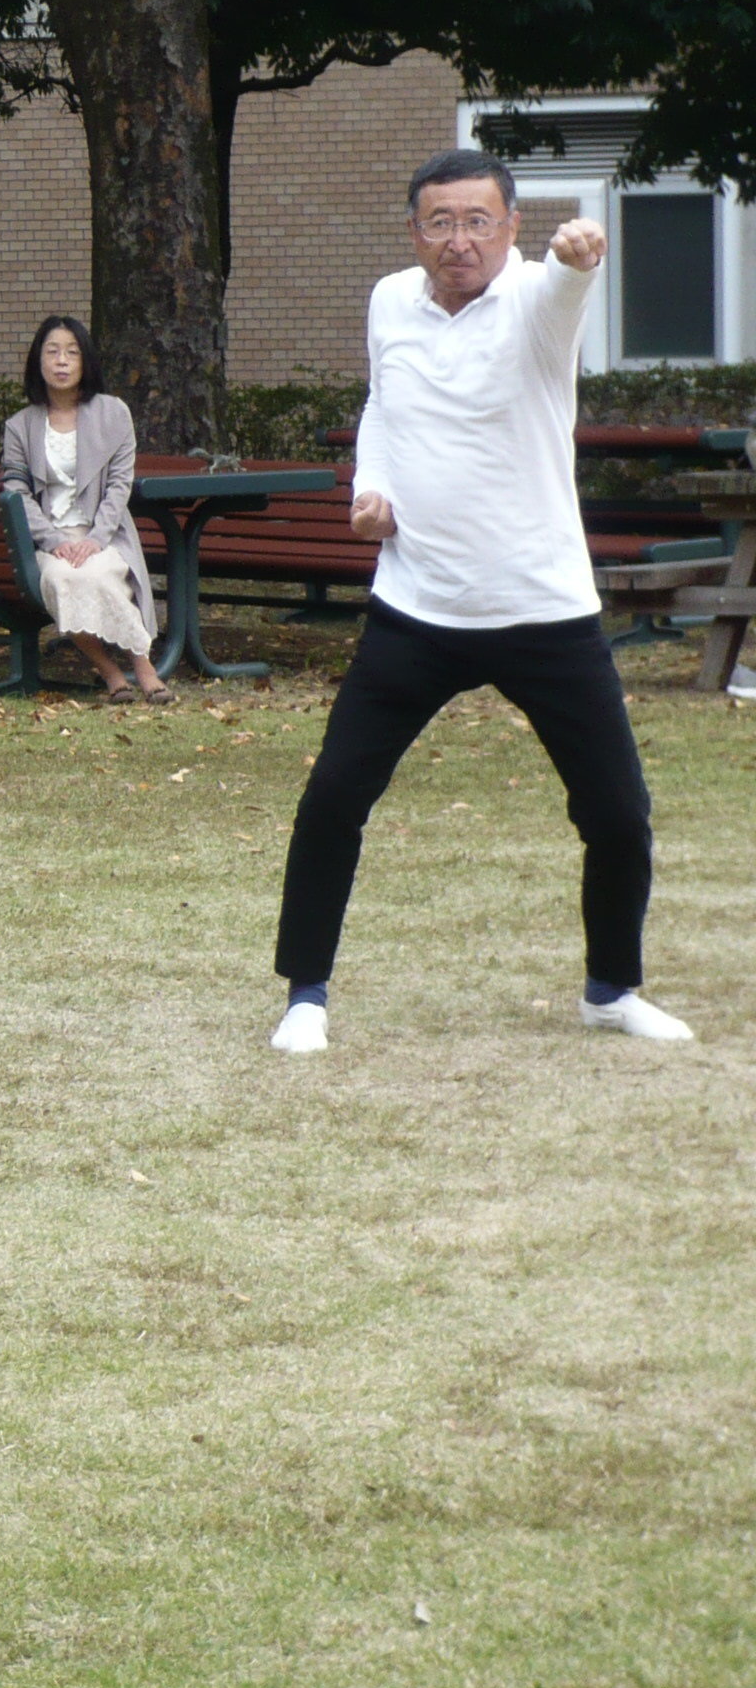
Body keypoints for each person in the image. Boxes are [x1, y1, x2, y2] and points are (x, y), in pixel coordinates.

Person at [268, 147, 693, 1054]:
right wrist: (367, 493)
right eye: (440, 222)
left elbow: (566, 290)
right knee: (335, 794)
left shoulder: (539, 301)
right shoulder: (391, 301)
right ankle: (306, 994)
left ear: (508, 227)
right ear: (414, 230)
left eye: (477, 221)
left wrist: (579, 257)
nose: (458, 240)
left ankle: (611, 989)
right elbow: (383, 407)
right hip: (417, 605)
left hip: (543, 609)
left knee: (617, 812)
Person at [0, 316, 170, 703]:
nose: (61, 361)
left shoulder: (114, 414)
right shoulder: (20, 426)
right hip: (48, 540)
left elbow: (120, 485)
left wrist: (94, 539)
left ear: (85, 361)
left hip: (103, 534)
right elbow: (17, 491)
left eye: (71, 353)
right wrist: (54, 539)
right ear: (37, 362)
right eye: (52, 352)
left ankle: (142, 666)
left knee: (102, 573)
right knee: (62, 579)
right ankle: (111, 673)